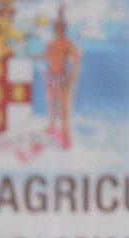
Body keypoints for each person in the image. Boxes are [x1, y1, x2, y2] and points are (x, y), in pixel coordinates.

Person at [43, 5, 80, 148]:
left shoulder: (67, 43)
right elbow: (46, 56)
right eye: (57, 28)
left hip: (62, 77)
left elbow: (76, 59)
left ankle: (66, 137)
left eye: (61, 28)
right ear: (54, 29)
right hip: (51, 76)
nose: (59, 30)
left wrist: (73, 74)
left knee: (63, 109)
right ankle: (52, 128)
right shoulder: (51, 43)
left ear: (64, 29)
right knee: (51, 106)